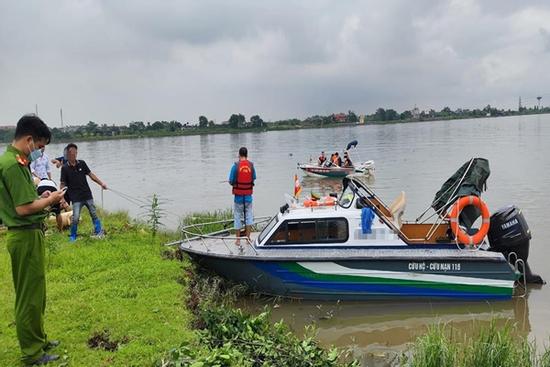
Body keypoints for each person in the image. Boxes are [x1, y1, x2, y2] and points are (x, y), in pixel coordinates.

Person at [0, 114, 66, 365]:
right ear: (29, 139)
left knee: (37, 292)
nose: (39, 152)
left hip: (30, 234)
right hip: (24, 234)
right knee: (29, 296)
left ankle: (39, 339)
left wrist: (44, 197)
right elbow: (23, 209)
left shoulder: (15, 162)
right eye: (39, 147)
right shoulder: (13, 165)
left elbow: (27, 200)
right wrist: (49, 200)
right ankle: (32, 352)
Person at [60, 143, 107, 242]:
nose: (74, 155)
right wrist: (62, 198)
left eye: (75, 153)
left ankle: (98, 231)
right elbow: (62, 184)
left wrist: (101, 183)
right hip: (76, 198)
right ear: (68, 154)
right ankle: (73, 235)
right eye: (72, 153)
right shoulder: (64, 168)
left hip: (87, 195)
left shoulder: (82, 163)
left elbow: (91, 175)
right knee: (75, 217)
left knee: (93, 213)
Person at [228, 147, 256, 245]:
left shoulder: (235, 166)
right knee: (249, 216)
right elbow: (254, 178)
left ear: (239, 155)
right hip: (248, 196)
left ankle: (238, 240)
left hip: (238, 197)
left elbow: (231, 181)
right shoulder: (251, 166)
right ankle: (248, 239)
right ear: (247, 155)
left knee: (237, 216)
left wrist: (233, 183)